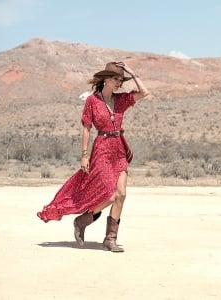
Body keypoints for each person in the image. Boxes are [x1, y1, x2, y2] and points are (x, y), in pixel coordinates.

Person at [37, 61, 150, 252]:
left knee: (121, 194)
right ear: (106, 79)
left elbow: (145, 92)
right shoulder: (92, 101)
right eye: (116, 79)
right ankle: (83, 220)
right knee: (109, 193)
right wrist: (84, 155)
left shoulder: (121, 100)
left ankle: (110, 239)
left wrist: (131, 70)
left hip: (119, 150)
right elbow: (87, 128)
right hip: (102, 149)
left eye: (121, 80)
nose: (119, 83)